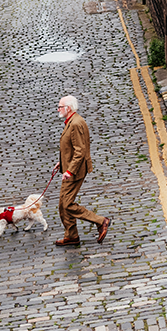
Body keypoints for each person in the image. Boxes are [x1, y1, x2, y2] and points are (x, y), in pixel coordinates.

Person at [53, 95, 112, 247]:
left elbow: (80, 151)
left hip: (75, 172)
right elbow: (71, 147)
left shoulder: (76, 124)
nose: (58, 109)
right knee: (63, 204)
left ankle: (101, 221)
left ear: (68, 108)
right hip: (70, 168)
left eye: (60, 106)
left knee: (66, 204)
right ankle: (71, 235)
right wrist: (62, 162)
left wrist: (69, 171)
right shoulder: (72, 121)